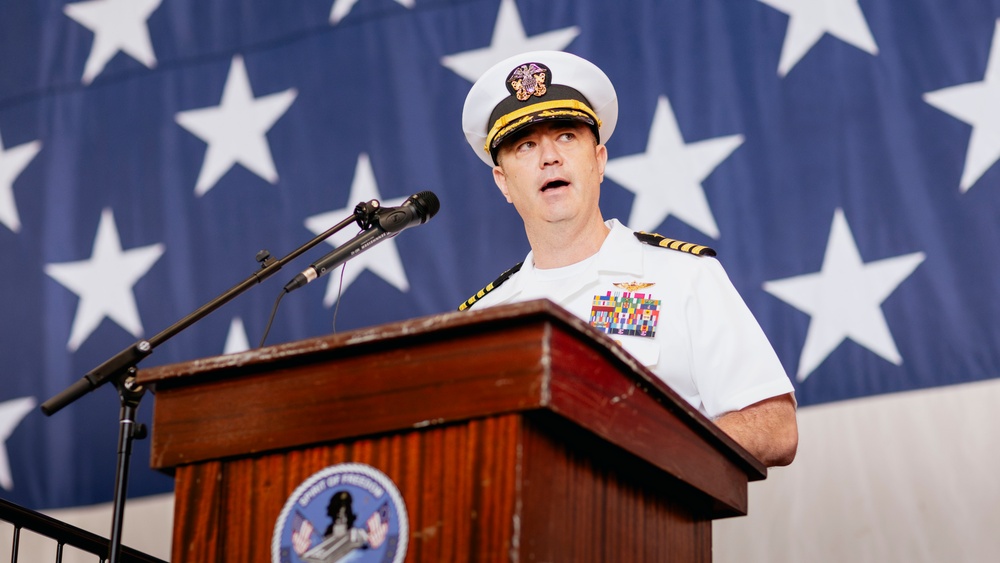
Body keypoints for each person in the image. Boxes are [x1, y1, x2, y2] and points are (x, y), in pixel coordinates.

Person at [458, 50, 797, 467]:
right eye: (525, 146)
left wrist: (647, 452)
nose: (550, 157)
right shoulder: (481, 319)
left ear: (598, 160)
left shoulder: (683, 275)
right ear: (503, 182)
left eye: (566, 136)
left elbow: (775, 425)